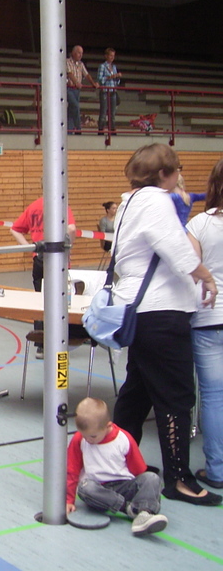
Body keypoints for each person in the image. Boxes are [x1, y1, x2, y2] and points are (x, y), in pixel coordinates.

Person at [111, 143, 220, 506]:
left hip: (142, 313)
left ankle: (117, 464)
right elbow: (176, 249)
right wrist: (205, 276)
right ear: (164, 174)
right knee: (175, 397)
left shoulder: (129, 202)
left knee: (137, 394)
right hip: (161, 313)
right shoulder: (156, 201)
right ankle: (179, 479)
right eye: (177, 169)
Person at [66, 398, 167, 536]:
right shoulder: (79, 439)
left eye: (93, 436)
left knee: (152, 478)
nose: (88, 439)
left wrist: (142, 489)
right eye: (84, 435)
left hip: (124, 485)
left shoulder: (124, 439)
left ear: (108, 426)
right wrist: (69, 500)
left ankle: (145, 513)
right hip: (99, 490)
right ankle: (131, 509)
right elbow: (72, 470)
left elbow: (139, 470)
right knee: (85, 488)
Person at [186, 159, 223, 491]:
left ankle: (218, 470)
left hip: (210, 317)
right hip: (210, 319)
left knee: (213, 397)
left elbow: (190, 270)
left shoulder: (199, 224)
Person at [10, 193, 76, 359]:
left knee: (41, 301)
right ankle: (59, 341)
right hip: (57, 259)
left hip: (39, 259)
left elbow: (15, 229)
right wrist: (69, 247)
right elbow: (71, 229)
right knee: (60, 300)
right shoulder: (61, 205)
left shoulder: (33, 206)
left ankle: (41, 345)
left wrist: (30, 248)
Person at [66, 45, 98, 134]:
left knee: (72, 109)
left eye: (82, 53)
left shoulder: (81, 64)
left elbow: (86, 74)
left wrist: (93, 83)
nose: (80, 55)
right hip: (69, 88)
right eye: (79, 53)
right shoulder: (67, 62)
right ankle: (78, 127)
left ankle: (69, 130)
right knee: (75, 106)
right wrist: (76, 82)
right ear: (73, 53)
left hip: (77, 90)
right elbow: (69, 73)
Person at [97, 47, 122, 134]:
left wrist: (117, 77)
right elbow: (100, 79)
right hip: (105, 91)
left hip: (113, 91)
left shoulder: (114, 67)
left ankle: (112, 129)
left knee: (112, 112)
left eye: (113, 56)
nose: (112, 57)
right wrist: (110, 77)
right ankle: (101, 129)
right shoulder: (102, 66)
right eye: (110, 55)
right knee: (103, 111)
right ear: (106, 56)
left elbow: (116, 82)